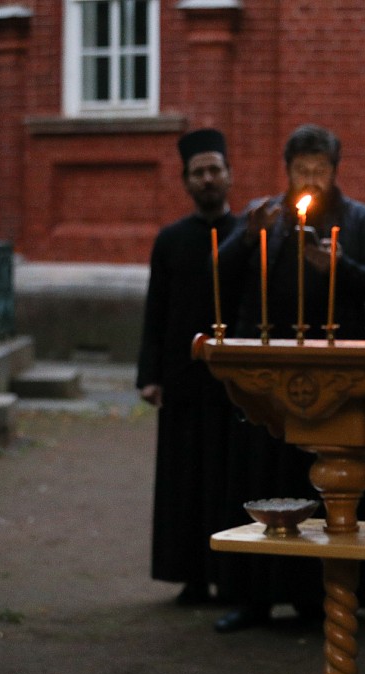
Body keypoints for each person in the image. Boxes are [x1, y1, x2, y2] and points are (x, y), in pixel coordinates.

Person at [214, 123, 365, 632]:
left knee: (327, 478)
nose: (310, 179)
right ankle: (252, 596)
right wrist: (246, 237)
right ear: (287, 170)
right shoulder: (264, 216)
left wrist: (339, 266)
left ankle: (324, 595)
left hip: (334, 373)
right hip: (269, 371)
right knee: (259, 476)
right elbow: (220, 275)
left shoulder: (359, 220)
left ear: (335, 171)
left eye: (320, 170)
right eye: (301, 170)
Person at [135, 128, 239, 606]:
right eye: (198, 172)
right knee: (184, 482)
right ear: (186, 182)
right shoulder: (170, 240)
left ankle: (229, 574)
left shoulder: (247, 236)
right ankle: (191, 577)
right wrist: (149, 375)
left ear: (229, 175)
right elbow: (155, 310)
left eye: (214, 169)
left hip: (232, 384)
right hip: (181, 381)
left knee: (226, 479)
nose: (207, 179)